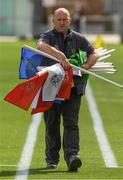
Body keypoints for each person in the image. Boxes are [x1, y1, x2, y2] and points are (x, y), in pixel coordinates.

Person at [37, 8, 99, 172]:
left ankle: (72, 156)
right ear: (53, 21)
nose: (62, 22)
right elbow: (40, 46)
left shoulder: (79, 38)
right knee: (52, 123)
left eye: (65, 19)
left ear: (70, 20)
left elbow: (94, 54)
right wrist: (59, 55)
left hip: (73, 88)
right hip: (51, 88)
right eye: (59, 19)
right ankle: (52, 159)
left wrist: (85, 66)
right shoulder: (47, 37)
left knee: (71, 123)